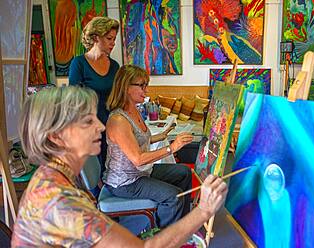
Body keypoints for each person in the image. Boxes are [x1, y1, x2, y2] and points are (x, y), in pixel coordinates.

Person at [11, 86, 228, 247]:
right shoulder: (60, 201)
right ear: (56, 137)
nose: (100, 126)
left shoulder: (51, 176)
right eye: (87, 122)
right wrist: (204, 210)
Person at [103, 65, 193, 228]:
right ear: (126, 87)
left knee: (184, 172)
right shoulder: (118, 120)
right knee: (174, 196)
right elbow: (138, 159)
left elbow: (137, 140)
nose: (146, 89)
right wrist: (171, 148)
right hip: (125, 182)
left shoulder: (134, 111)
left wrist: (162, 136)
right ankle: (164, 237)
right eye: (142, 85)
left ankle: (182, 224)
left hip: (140, 173)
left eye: (146, 84)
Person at [69, 16, 120, 169]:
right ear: (96, 37)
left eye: (114, 38)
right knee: (93, 174)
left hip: (111, 124)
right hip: (89, 125)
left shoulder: (115, 66)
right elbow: (73, 100)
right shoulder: (79, 63)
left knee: (110, 169)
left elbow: (117, 97)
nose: (113, 43)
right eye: (109, 38)